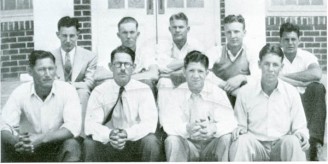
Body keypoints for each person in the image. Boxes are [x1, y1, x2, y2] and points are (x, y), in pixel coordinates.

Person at [230, 44, 309, 161]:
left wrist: (302, 135)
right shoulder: (245, 92)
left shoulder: (291, 92)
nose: (271, 69)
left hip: (280, 145)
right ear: (259, 65)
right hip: (256, 146)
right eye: (267, 64)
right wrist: (239, 129)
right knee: (241, 141)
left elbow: (300, 127)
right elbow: (240, 125)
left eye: (275, 65)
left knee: (293, 141)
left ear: (281, 67)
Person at [83, 46, 162, 162]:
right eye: (118, 64)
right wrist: (110, 135)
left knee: (151, 142)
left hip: (135, 142)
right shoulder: (99, 91)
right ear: (110, 67)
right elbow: (90, 125)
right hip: (108, 143)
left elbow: (149, 124)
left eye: (127, 64)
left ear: (133, 67)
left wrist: (126, 134)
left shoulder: (143, 90)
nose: (123, 68)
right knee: (89, 144)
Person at [1, 50, 82, 162]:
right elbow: (5, 125)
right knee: (3, 143)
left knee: (72, 145)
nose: (48, 74)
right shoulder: (20, 92)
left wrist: (41, 139)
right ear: (30, 71)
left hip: (55, 145)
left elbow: (72, 128)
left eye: (51, 68)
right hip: (26, 148)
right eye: (42, 70)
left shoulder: (67, 90)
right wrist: (17, 141)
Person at [160, 51, 237, 161]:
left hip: (212, 144)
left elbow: (231, 122)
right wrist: (186, 129)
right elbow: (168, 124)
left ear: (207, 73)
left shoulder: (217, 92)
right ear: (184, 72)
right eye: (191, 70)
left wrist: (214, 128)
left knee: (226, 138)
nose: (196, 76)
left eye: (200, 71)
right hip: (188, 145)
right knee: (172, 140)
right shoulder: (176, 94)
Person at [278, 22, 326, 161]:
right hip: (284, 99)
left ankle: (315, 143)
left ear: (299, 40)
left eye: (293, 39)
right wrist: (301, 82)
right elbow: (272, 79)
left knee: (317, 88)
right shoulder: (276, 56)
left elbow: (316, 74)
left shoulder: (306, 56)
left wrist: (284, 77)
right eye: (286, 39)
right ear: (281, 40)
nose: (290, 43)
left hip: (305, 100)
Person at [52, 16, 97, 137]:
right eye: (64, 36)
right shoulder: (50, 57)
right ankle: (54, 135)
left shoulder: (89, 56)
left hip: (78, 94)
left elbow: (89, 82)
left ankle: (81, 135)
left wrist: (71, 86)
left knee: (83, 92)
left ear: (78, 35)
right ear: (58, 35)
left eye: (71, 36)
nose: (68, 40)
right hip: (57, 92)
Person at [95, 17, 159, 94]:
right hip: (118, 85)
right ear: (118, 35)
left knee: (147, 83)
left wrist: (123, 77)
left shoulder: (146, 50)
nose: (128, 36)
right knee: (104, 84)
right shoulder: (112, 50)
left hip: (137, 84)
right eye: (124, 33)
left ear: (137, 34)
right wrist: (127, 76)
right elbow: (98, 75)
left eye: (132, 32)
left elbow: (154, 74)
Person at [206, 14, 260, 106]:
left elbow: (258, 76)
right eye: (229, 32)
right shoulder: (216, 51)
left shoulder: (250, 52)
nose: (232, 36)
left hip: (242, 99)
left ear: (244, 32)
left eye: (236, 32)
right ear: (225, 33)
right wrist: (224, 85)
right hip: (218, 100)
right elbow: (203, 71)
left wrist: (242, 78)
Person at [157, 12, 204, 113]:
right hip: (170, 80)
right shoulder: (163, 45)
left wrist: (174, 68)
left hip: (190, 78)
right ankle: (165, 125)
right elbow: (162, 67)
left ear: (188, 29)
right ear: (170, 29)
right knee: (164, 83)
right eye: (174, 27)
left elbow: (199, 65)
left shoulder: (196, 44)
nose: (177, 30)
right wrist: (188, 60)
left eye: (181, 27)